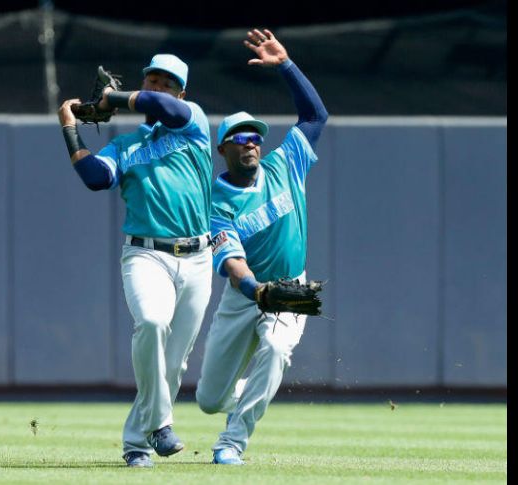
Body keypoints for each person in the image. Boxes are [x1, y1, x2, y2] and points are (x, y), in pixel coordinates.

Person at [58, 54, 213, 468]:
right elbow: (96, 178)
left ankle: (135, 444)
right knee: (151, 322)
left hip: (198, 259)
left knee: (173, 364)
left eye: (167, 83)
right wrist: (69, 128)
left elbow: (162, 107)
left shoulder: (193, 121)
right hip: (146, 254)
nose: (158, 88)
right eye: (152, 80)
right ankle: (160, 426)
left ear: (181, 93)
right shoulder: (125, 145)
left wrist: (111, 98)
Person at [195, 29, 328, 465]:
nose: (250, 142)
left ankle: (232, 442)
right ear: (223, 149)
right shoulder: (215, 201)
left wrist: (286, 65)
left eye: (255, 136)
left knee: (275, 348)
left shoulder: (286, 163)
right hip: (244, 297)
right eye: (240, 137)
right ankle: (250, 394)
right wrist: (258, 292)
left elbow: (315, 116)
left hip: (290, 287)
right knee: (209, 400)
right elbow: (232, 262)